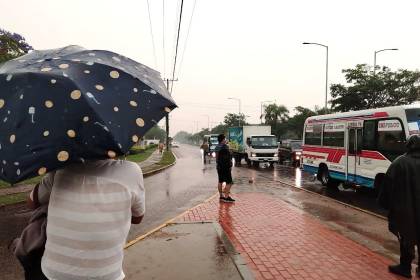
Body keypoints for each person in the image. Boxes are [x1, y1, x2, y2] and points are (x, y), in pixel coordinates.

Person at [27, 159, 145, 280]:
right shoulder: (131, 171)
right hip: (106, 275)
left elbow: (32, 203)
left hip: (52, 274)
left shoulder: (60, 170)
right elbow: (138, 217)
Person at [378, 134, 420, 278]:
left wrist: (385, 204)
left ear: (408, 145)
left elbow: (387, 186)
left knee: (406, 238)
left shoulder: (399, 162)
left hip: (404, 210)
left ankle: (405, 267)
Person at [215, 134, 235, 202]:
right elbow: (229, 157)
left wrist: (218, 164)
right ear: (223, 139)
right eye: (225, 139)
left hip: (219, 166)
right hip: (226, 167)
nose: (225, 140)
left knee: (220, 181)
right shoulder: (226, 147)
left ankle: (221, 196)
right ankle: (226, 197)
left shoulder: (217, 147)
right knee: (229, 182)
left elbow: (217, 158)